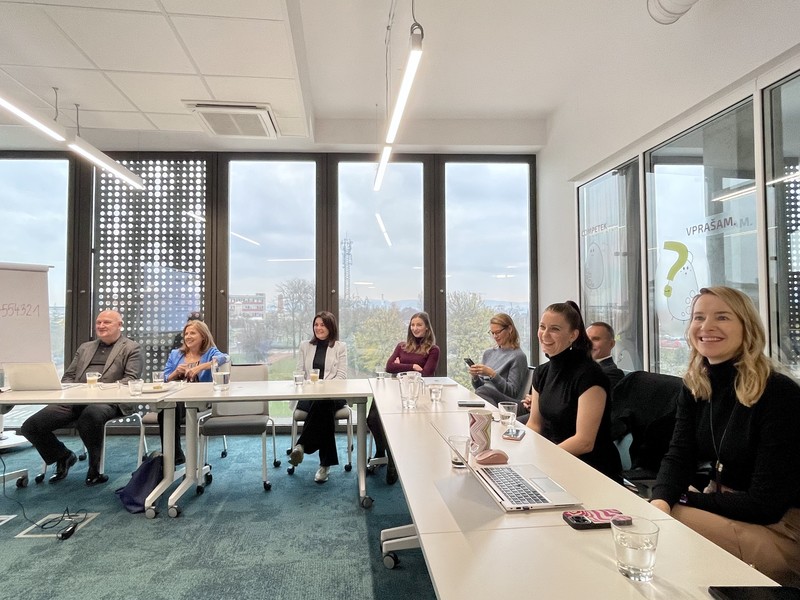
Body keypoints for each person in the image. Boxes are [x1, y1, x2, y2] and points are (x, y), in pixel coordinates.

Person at [650, 286, 800, 585]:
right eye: (698, 317)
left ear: (747, 327)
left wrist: (681, 498)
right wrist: (660, 500)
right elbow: (679, 455)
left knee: (663, 526)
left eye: (722, 317)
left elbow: (765, 505)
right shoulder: (697, 386)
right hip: (727, 509)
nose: (706, 326)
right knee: (655, 512)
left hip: (782, 529)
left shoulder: (779, 393)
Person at [21, 310, 142, 485]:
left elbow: (130, 379)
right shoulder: (85, 347)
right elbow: (68, 377)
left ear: (120, 325)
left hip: (110, 401)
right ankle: (63, 456)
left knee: (90, 415)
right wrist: (76, 392)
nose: (101, 326)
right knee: (30, 427)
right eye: (98, 322)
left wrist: (100, 391)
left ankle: (95, 469)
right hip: (76, 400)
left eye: (107, 322)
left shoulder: (132, 348)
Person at [523, 301, 621, 482]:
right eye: (542, 327)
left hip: (591, 471)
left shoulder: (590, 375)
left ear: (573, 335)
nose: (545, 334)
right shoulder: (542, 372)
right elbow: (535, 424)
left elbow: (584, 442)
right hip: (555, 463)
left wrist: (543, 460)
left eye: (555, 329)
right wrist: (520, 451)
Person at [367, 311, 440, 484]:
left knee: (390, 422)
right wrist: (413, 366)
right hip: (393, 389)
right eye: (412, 325)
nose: (415, 328)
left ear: (427, 328)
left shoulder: (433, 350)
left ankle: (392, 462)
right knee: (372, 419)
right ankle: (380, 452)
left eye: (419, 325)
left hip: (414, 394)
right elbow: (389, 367)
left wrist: (401, 366)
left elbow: (426, 374)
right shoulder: (402, 346)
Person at [288, 311, 348, 483]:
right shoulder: (305, 346)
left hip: (333, 395)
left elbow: (341, 376)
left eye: (322, 325)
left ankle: (302, 445)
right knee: (323, 409)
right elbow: (299, 372)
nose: (318, 328)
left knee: (324, 403)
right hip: (309, 394)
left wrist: (324, 389)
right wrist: (309, 387)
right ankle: (325, 465)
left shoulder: (340, 347)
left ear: (330, 327)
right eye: (316, 324)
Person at [161, 319, 228, 465]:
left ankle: (174, 457)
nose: (188, 336)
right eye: (186, 334)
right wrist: (175, 373)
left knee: (172, 408)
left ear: (203, 336)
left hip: (201, 400)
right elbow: (164, 378)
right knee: (166, 409)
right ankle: (173, 456)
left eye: (193, 333)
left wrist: (200, 367)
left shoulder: (210, 352)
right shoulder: (176, 354)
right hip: (178, 398)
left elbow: (225, 358)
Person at [468, 313, 529, 410]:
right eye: (492, 333)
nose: (495, 336)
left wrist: (492, 374)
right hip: (487, 396)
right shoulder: (488, 353)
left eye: (498, 332)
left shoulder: (518, 356)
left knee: (483, 392)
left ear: (510, 329)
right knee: (479, 392)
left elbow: (512, 392)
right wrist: (475, 377)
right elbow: (479, 388)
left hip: (506, 402)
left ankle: (492, 415)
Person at [586, 321, 625, 388]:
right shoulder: (580, 366)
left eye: (595, 339)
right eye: (586, 339)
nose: (588, 344)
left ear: (611, 344)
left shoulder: (613, 374)